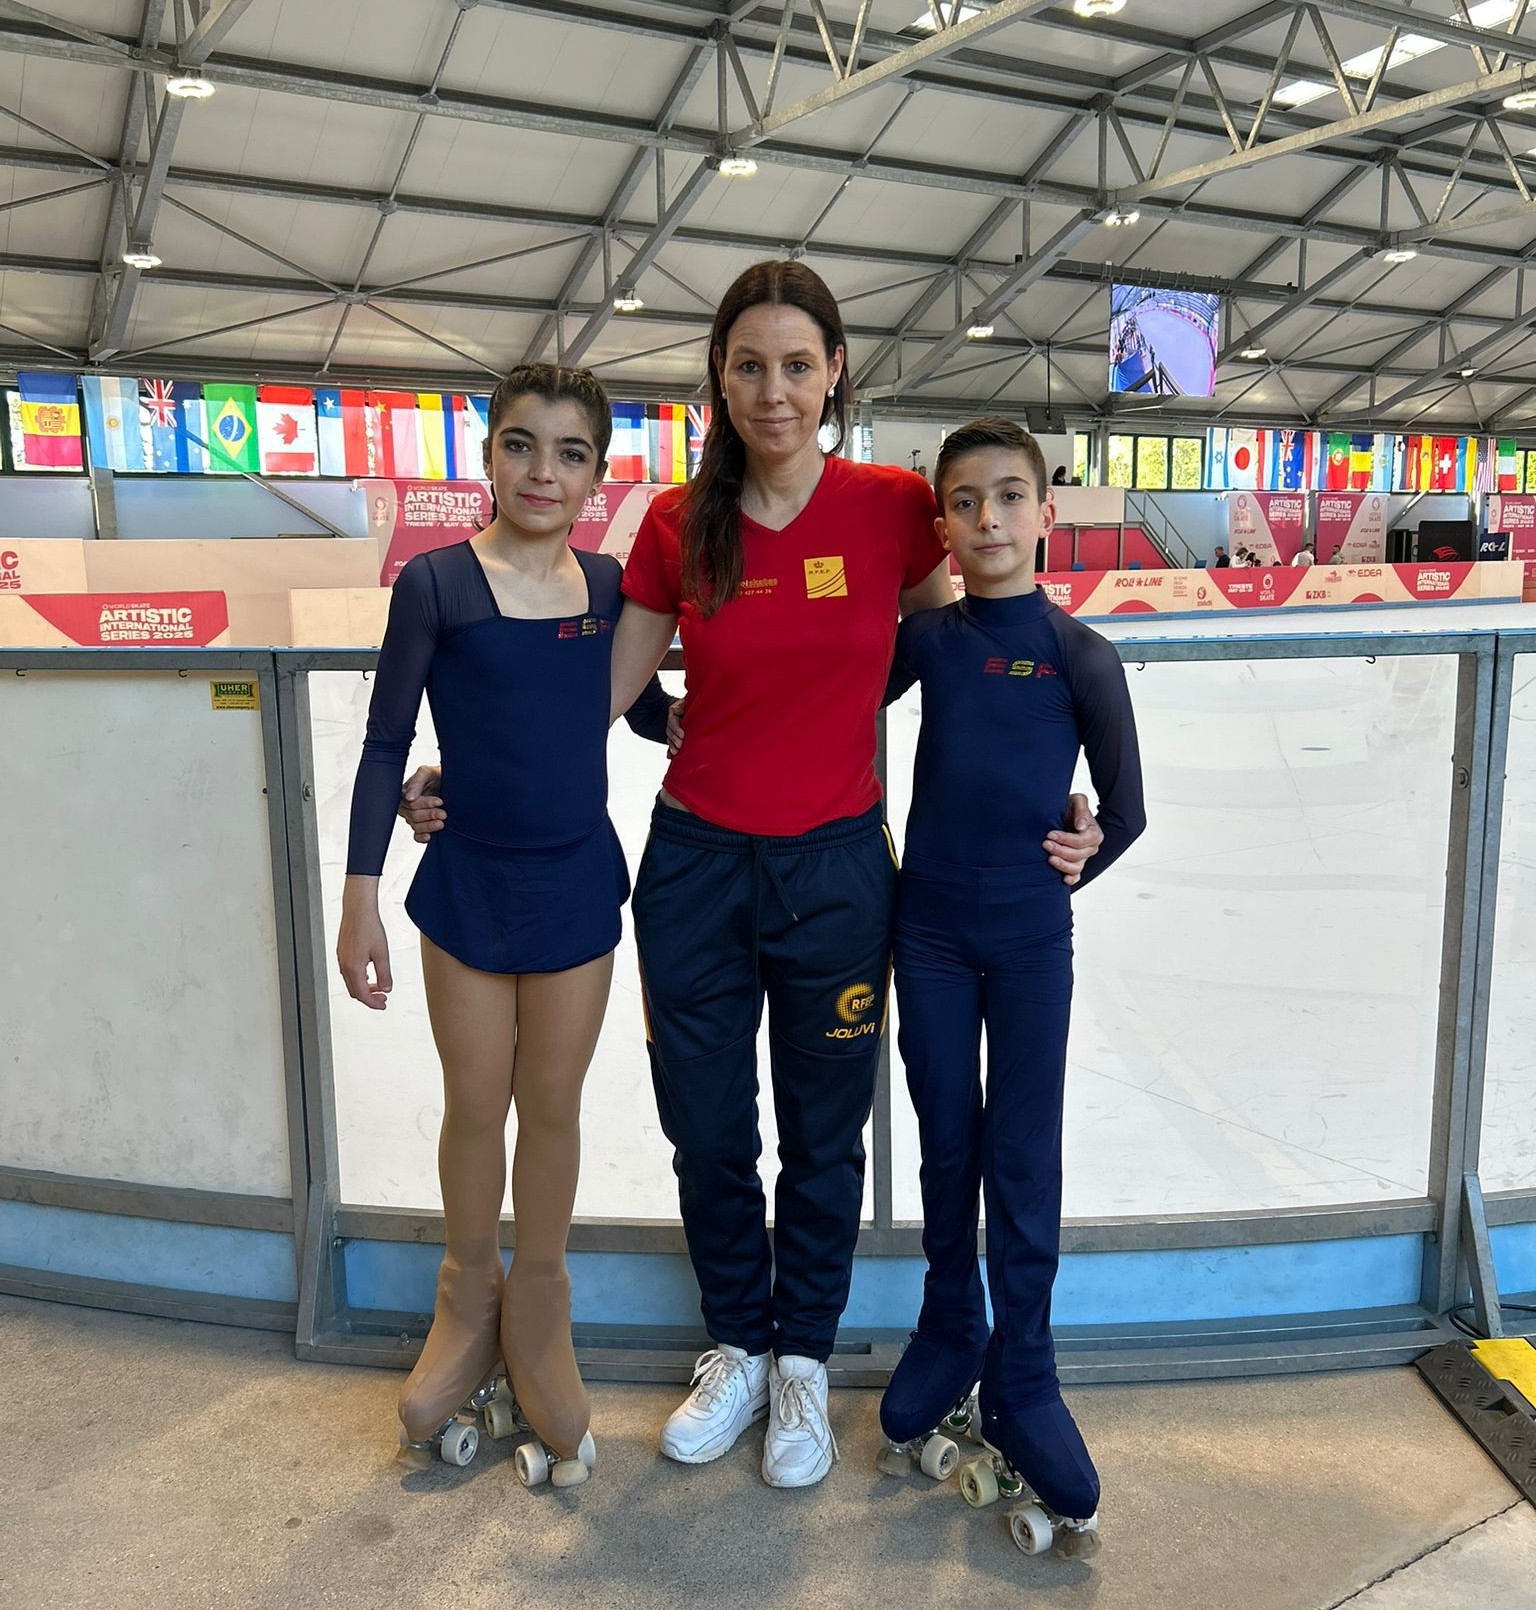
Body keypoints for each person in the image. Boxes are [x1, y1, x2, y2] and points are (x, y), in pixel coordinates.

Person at [401, 260, 1106, 1490]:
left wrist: (1057, 792)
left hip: (838, 869)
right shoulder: (681, 523)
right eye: (748, 366)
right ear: (719, 382)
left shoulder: (896, 508)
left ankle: (804, 1359)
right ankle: (737, 1340)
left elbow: (964, 648)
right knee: (711, 1126)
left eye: (796, 364)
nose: (773, 391)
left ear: (835, 372)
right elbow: (590, 694)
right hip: (698, 865)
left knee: (825, 1134)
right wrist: (460, 774)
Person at [338, 363, 669, 1486]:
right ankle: (467, 1293)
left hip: (575, 885)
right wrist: (360, 892)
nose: (542, 471)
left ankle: (539, 1299)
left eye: (570, 452)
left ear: (597, 474)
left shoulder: (610, 587)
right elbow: (386, 743)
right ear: (488, 455)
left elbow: (652, 707)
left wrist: (727, 705)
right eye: (521, 444)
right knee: (477, 1103)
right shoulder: (436, 583)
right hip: (469, 886)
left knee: (554, 1106)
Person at [873, 419, 1144, 1550]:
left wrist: (1082, 854)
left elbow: (1124, 811)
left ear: (1046, 512)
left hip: (1030, 941)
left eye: (1010, 496)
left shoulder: (1082, 655)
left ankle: (1024, 1372)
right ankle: (952, 1326)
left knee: (1023, 1154)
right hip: (928, 933)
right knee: (947, 1140)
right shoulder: (926, 641)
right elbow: (823, 703)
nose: (989, 518)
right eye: (965, 501)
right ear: (943, 523)